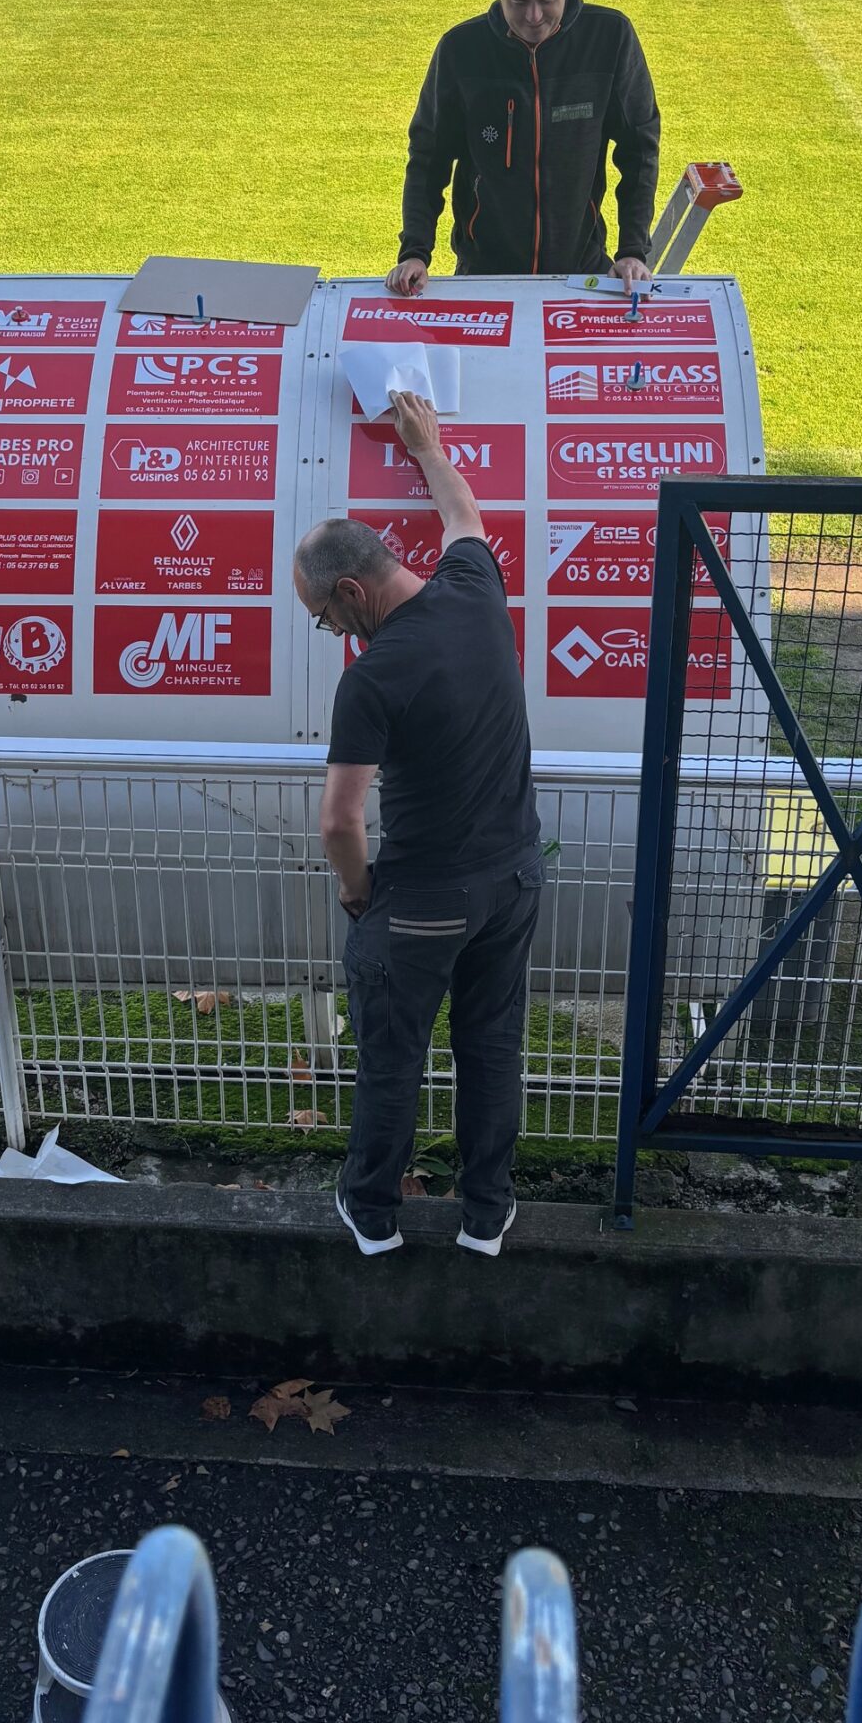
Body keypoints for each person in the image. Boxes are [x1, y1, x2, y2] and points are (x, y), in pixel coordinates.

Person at [293, 391, 543, 1258]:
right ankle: (486, 1215)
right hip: (514, 880)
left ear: (353, 591)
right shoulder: (476, 589)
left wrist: (359, 896)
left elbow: (338, 820)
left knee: (393, 1054)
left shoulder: (372, 677)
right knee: (491, 1047)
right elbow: (462, 514)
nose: (331, 631)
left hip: (425, 897)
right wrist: (425, 446)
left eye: (326, 616)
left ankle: (372, 1213)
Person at [387, 0, 662, 295]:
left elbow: (639, 149)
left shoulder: (610, 38)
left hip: (581, 273)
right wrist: (415, 251)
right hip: (483, 276)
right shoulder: (461, 50)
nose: (534, 17)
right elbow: (428, 157)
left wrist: (633, 249)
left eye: (548, 0)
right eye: (518, 2)